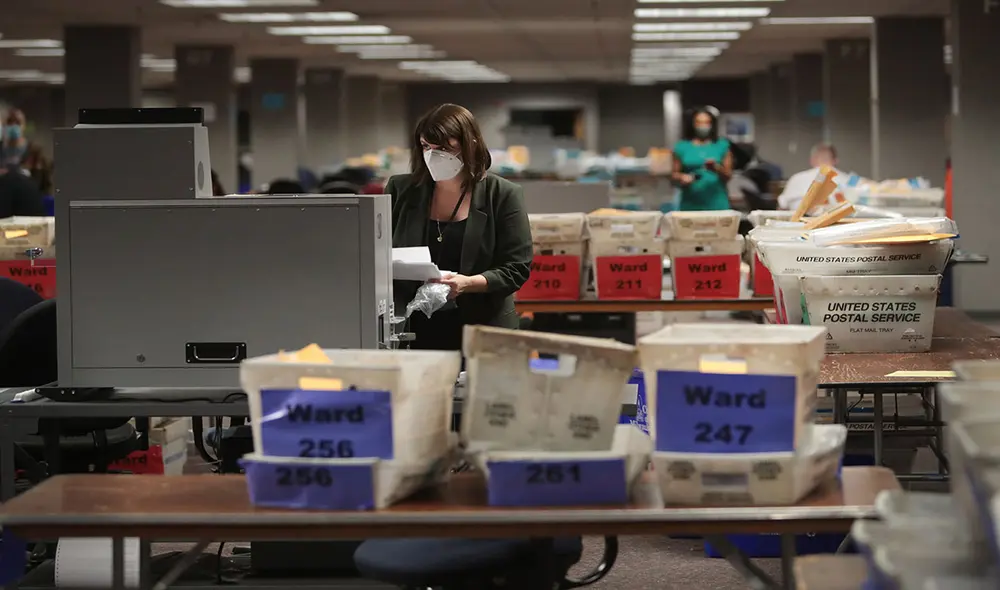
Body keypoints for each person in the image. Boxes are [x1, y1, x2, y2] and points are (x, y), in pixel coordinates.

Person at [387, 103, 532, 351]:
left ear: (470, 144)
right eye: (426, 147)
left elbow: (517, 267)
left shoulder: (502, 195)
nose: (433, 155)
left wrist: (469, 283)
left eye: (444, 148)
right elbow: (377, 252)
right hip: (414, 327)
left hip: (483, 327)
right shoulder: (402, 191)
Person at [671, 107, 733, 211]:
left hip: (717, 203)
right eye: (699, 122)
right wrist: (681, 177)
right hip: (690, 204)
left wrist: (716, 168)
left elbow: (728, 176)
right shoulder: (681, 147)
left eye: (706, 122)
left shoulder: (722, 145)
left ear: (712, 125)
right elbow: (673, 175)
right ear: (693, 124)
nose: (703, 126)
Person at [777, 143, 840, 211]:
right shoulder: (847, 179)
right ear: (836, 161)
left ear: (812, 160)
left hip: (799, 219)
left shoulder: (797, 178)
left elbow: (782, 206)